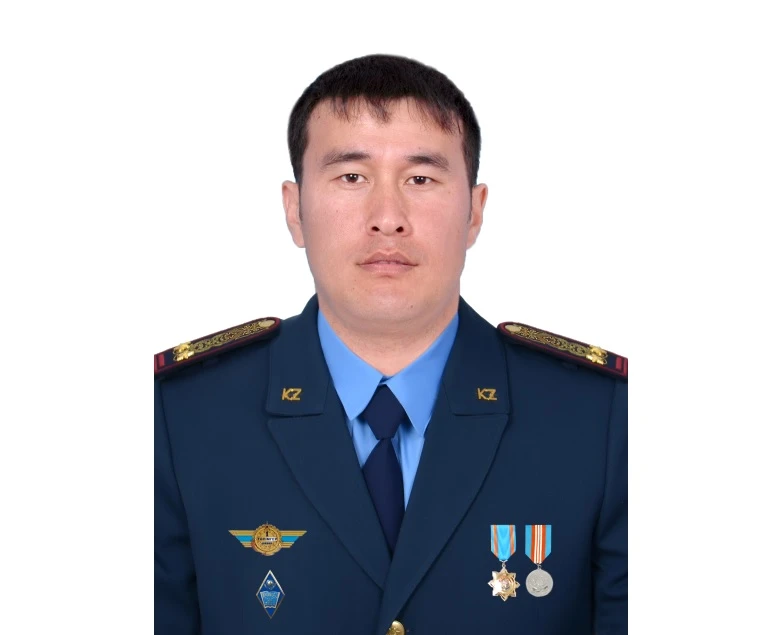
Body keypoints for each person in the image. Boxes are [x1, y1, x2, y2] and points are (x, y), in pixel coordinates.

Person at [154, 54, 628, 635]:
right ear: (294, 210)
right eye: (351, 177)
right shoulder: (179, 417)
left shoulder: (601, 419)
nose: (387, 218)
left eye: (420, 179)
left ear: (474, 212)